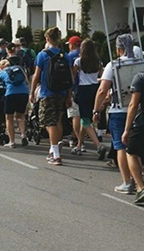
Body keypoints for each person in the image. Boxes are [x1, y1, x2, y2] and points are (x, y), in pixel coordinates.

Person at [95, 33, 139, 194]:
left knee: (121, 145)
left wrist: (96, 109)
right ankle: (137, 178)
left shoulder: (114, 65)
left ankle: (127, 181)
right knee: (136, 146)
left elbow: (102, 89)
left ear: (119, 49)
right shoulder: (140, 63)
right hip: (139, 109)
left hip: (119, 109)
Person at [30, 27, 71, 165]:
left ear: (47, 39)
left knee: (48, 121)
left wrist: (32, 92)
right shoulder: (64, 55)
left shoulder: (43, 55)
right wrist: (69, 95)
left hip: (47, 92)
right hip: (62, 92)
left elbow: (36, 75)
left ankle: (56, 154)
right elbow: (70, 77)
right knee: (58, 119)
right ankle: (55, 147)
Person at [70, 38, 107, 159]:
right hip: (95, 88)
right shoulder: (98, 62)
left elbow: (73, 76)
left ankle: (98, 145)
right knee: (85, 119)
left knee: (85, 120)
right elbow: (102, 75)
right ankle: (79, 145)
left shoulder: (79, 61)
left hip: (83, 90)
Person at [0, 59, 29, 147]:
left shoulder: (2, 73)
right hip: (24, 93)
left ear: (1, 67)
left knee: (9, 118)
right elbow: (27, 81)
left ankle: (12, 141)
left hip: (11, 94)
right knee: (20, 116)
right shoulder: (19, 68)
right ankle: (23, 135)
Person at [123, 72, 144, 205]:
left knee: (131, 152)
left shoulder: (140, 78)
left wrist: (126, 129)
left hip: (141, 123)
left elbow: (133, 105)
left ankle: (141, 187)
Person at [66, 35, 82, 149]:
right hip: (88, 87)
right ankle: (80, 138)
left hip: (75, 87)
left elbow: (70, 73)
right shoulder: (87, 54)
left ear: (73, 44)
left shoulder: (70, 56)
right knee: (84, 116)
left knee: (75, 115)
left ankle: (78, 140)